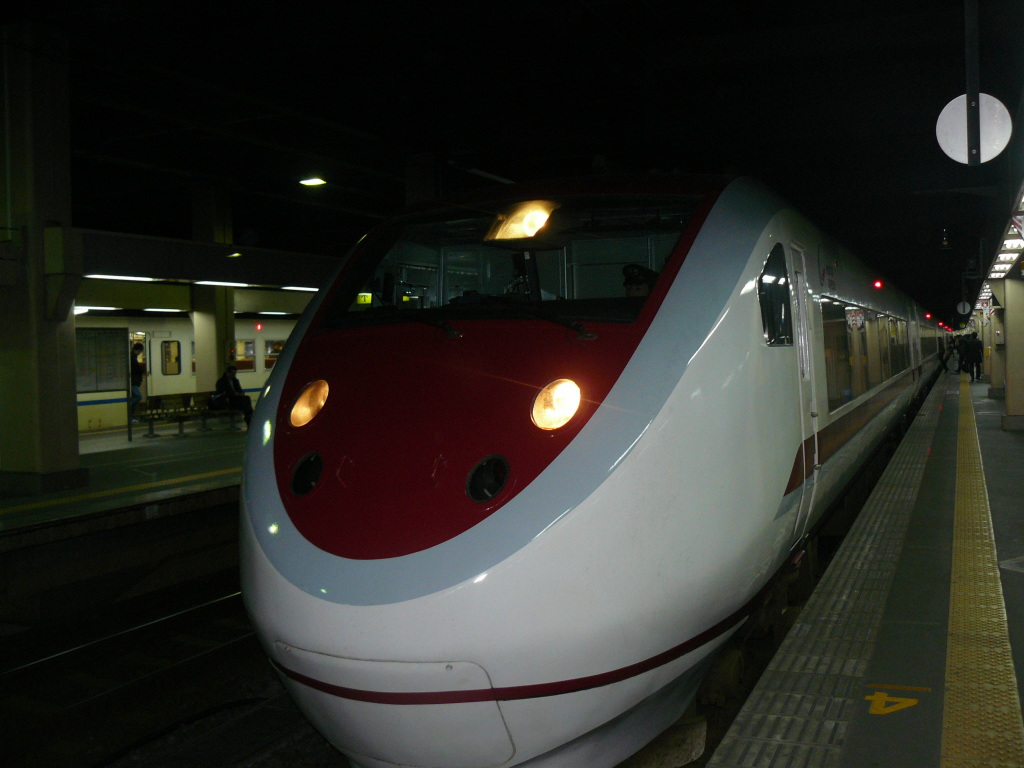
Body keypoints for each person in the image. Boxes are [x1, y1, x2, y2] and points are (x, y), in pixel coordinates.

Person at [129, 342, 146, 418]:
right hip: (133, 382)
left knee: (134, 396)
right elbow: (135, 369)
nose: (139, 353)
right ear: (135, 350)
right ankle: (129, 409)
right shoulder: (132, 358)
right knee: (138, 396)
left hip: (134, 382)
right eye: (139, 351)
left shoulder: (133, 357)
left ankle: (131, 414)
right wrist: (142, 369)